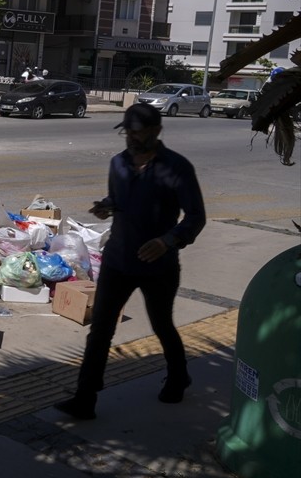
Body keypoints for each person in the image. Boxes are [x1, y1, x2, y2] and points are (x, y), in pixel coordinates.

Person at [55, 103, 206, 420]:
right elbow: (120, 199)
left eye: (137, 132)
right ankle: (85, 399)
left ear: (156, 131)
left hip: (158, 266)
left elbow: (196, 217)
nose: (131, 139)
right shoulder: (118, 164)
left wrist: (167, 241)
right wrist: (107, 206)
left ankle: (179, 376)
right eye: (127, 132)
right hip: (118, 260)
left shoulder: (177, 168)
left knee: (162, 324)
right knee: (100, 331)